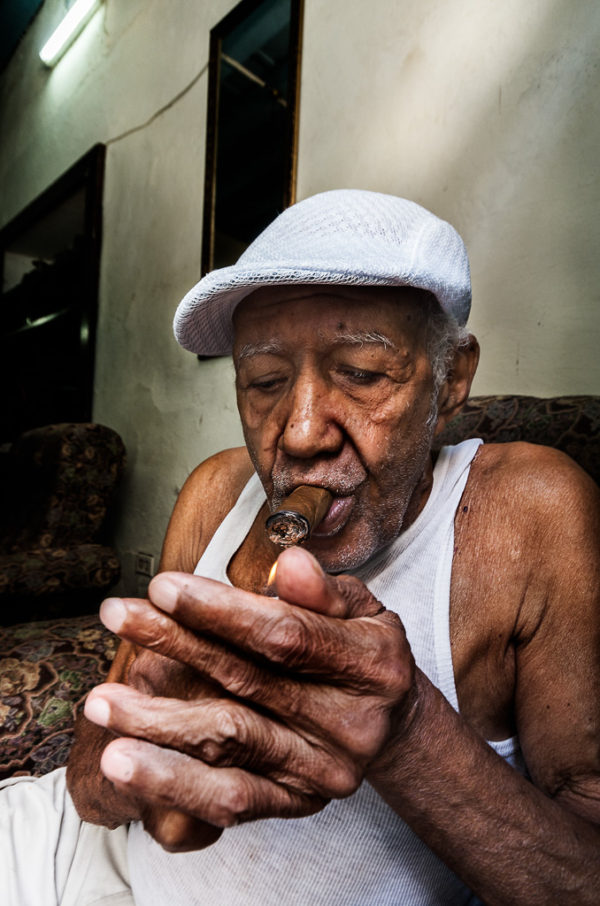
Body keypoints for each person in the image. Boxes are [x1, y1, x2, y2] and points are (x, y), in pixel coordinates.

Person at [2, 190, 599, 905]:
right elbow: (90, 792)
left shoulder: (532, 510)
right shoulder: (218, 490)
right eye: (265, 383)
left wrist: (407, 730)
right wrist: (140, 745)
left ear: (451, 382)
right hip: (83, 863)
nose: (301, 432)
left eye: (362, 373)